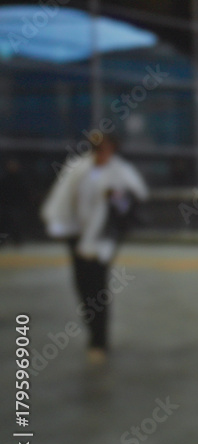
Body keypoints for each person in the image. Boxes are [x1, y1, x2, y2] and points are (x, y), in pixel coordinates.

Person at [41, 134, 148, 364]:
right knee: (82, 284)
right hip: (76, 234)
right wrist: (60, 225)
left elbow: (134, 199)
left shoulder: (120, 171)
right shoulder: (78, 168)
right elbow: (62, 199)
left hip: (102, 237)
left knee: (98, 286)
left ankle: (99, 340)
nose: (103, 152)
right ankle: (93, 330)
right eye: (99, 147)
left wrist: (116, 197)